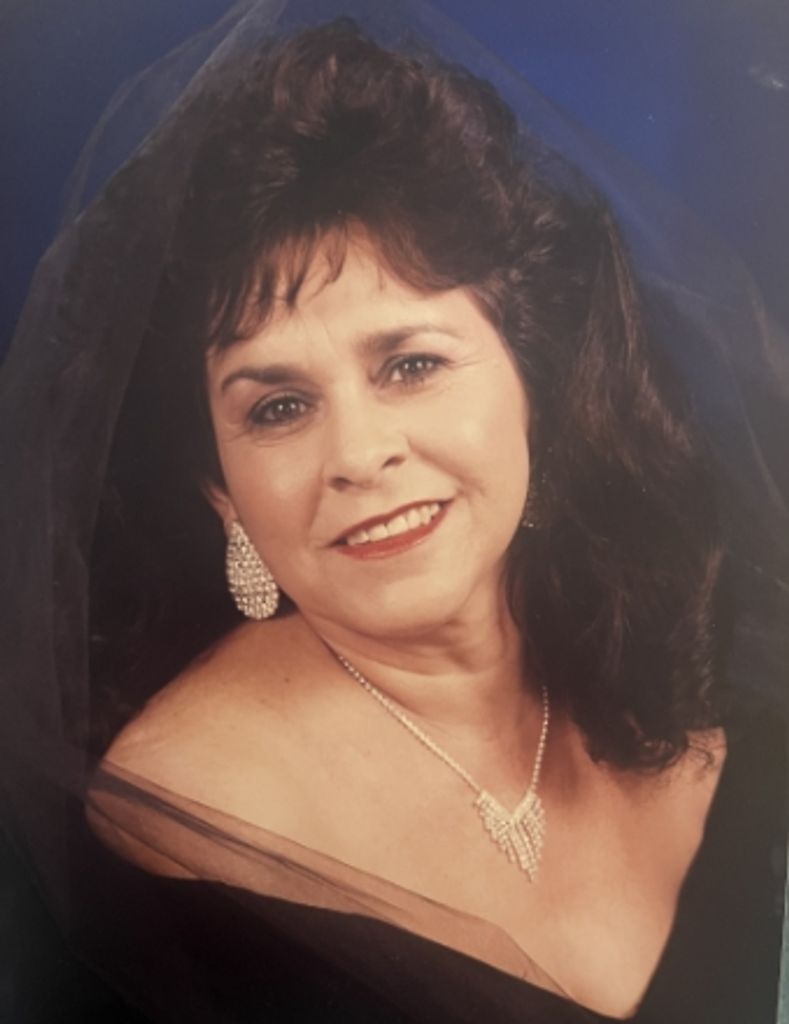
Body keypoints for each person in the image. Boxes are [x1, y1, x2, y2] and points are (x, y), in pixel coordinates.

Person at [1, 4, 786, 1023]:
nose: (359, 455)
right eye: (278, 407)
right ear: (219, 491)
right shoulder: (181, 826)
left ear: (536, 389)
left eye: (410, 365)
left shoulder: (685, 652)